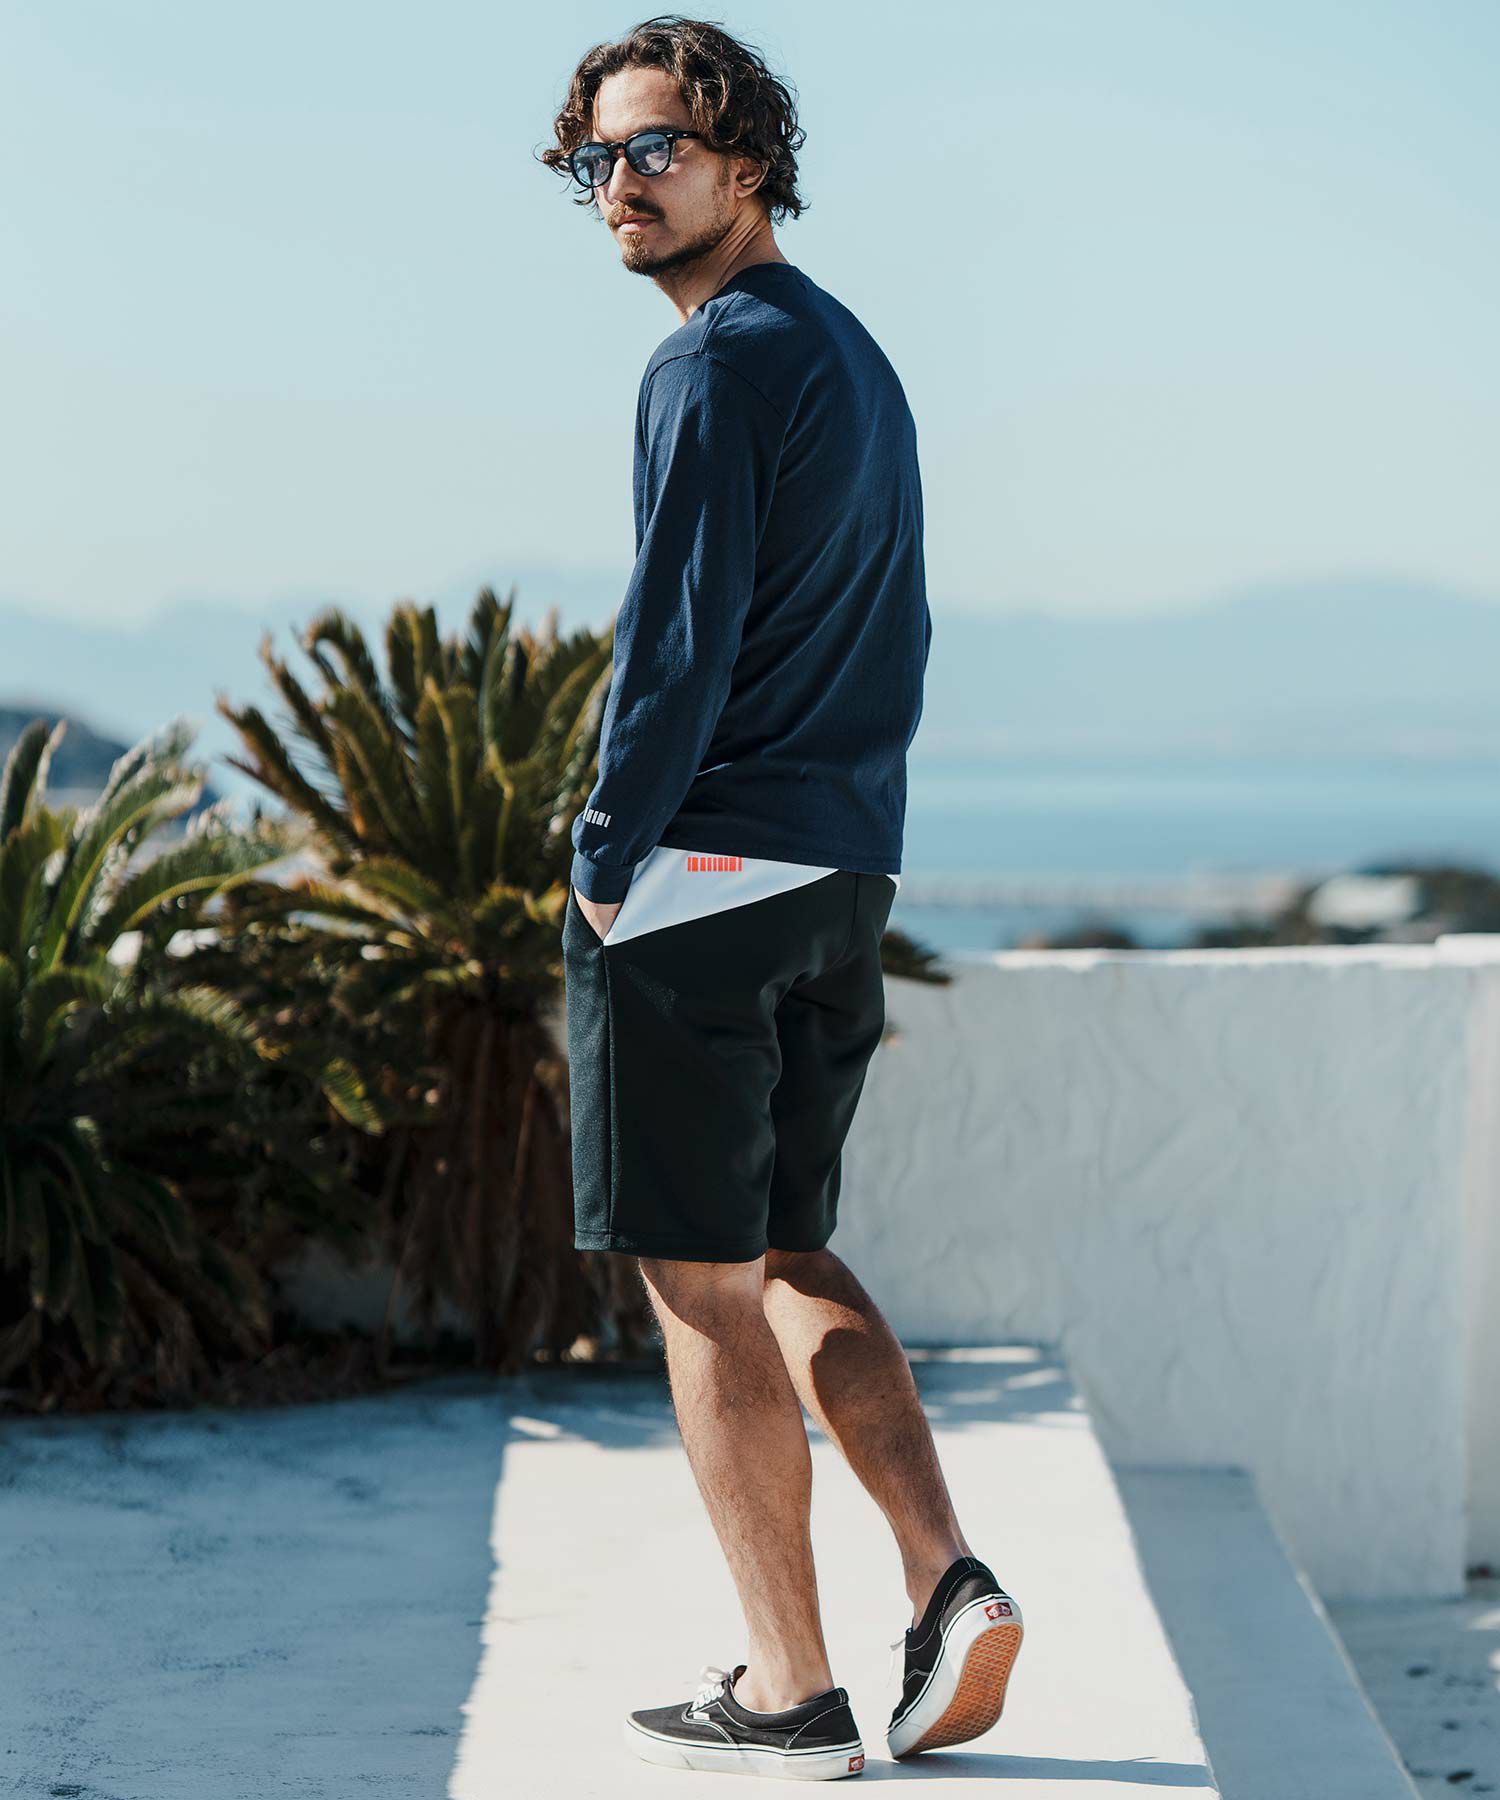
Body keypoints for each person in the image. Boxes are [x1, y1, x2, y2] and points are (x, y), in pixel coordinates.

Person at [543, 15, 1023, 1780]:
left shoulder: (711, 365)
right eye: (595, 157)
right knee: (792, 1253)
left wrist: (607, 860)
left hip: (699, 884)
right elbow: (890, 627)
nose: (620, 181)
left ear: (748, 162)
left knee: (700, 1289)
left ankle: (791, 1690)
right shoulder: (851, 358)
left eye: (655, 147)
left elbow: (673, 651)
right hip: (839, 869)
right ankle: (948, 1579)